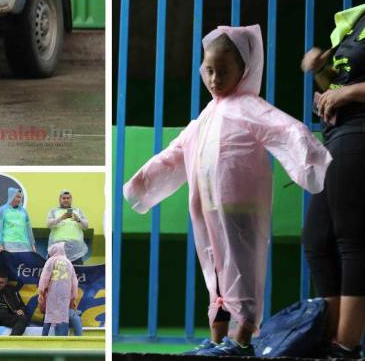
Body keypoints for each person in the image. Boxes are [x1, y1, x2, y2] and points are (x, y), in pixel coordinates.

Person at [124, 25, 331, 357]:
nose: (214, 78)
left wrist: (311, 161)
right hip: (207, 207)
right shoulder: (207, 114)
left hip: (240, 208)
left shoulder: (249, 106)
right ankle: (218, 342)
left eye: (223, 71)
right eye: (209, 70)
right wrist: (142, 181)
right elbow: (177, 151)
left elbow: (287, 129)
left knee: (242, 271)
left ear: (243, 71)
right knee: (216, 275)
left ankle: (242, 340)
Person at [300, 0, 365, 359]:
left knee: (352, 240)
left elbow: (352, 88)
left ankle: (345, 347)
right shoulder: (354, 21)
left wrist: (347, 93)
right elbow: (342, 81)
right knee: (318, 242)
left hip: (361, 133)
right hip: (338, 135)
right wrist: (321, 79)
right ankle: (331, 342)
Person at [38, 243, 78, 337]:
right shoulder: (69, 263)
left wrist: (41, 291)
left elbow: (44, 277)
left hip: (53, 292)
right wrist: (73, 297)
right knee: (64, 316)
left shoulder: (51, 260)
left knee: (49, 314)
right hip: (65, 294)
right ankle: (63, 338)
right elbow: (74, 282)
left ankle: (44, 337)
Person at [47, 190, 89, 264]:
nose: (66, 200)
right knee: (58, 272)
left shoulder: (78, 211)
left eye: (68, 198)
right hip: (58, 248)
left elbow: (86, 226)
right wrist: (61, 218)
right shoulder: (53, 211)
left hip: (76, 249)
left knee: (77, 273)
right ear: (60, 199)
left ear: (71, 199)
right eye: (64, 198)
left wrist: (78, 219)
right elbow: (49, 225)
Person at [0, 188, 36, 253]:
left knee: (23, 263)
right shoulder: (2, 210)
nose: (19, 200)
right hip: (8, 243)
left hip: (24, 244)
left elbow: (29, 229)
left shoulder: (24, 212)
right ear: (12, 196)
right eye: (18, 197)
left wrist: (32, 245)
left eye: (20, 197)